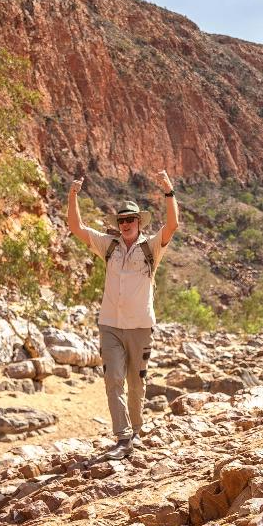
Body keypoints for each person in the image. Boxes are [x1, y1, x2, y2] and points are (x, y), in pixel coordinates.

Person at [67, 170, 180, 457]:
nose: (126, 223)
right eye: (122, 220)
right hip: (110, 326)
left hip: (141, 326)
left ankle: (137, 430)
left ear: (139, 222)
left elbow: (173, 225)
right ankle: (123, 437)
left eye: (130, 219)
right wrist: (72, 195)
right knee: (113, 379)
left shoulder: (151, 247)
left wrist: (169, 191)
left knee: (136, 383)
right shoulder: (109, 245)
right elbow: (77, 227)